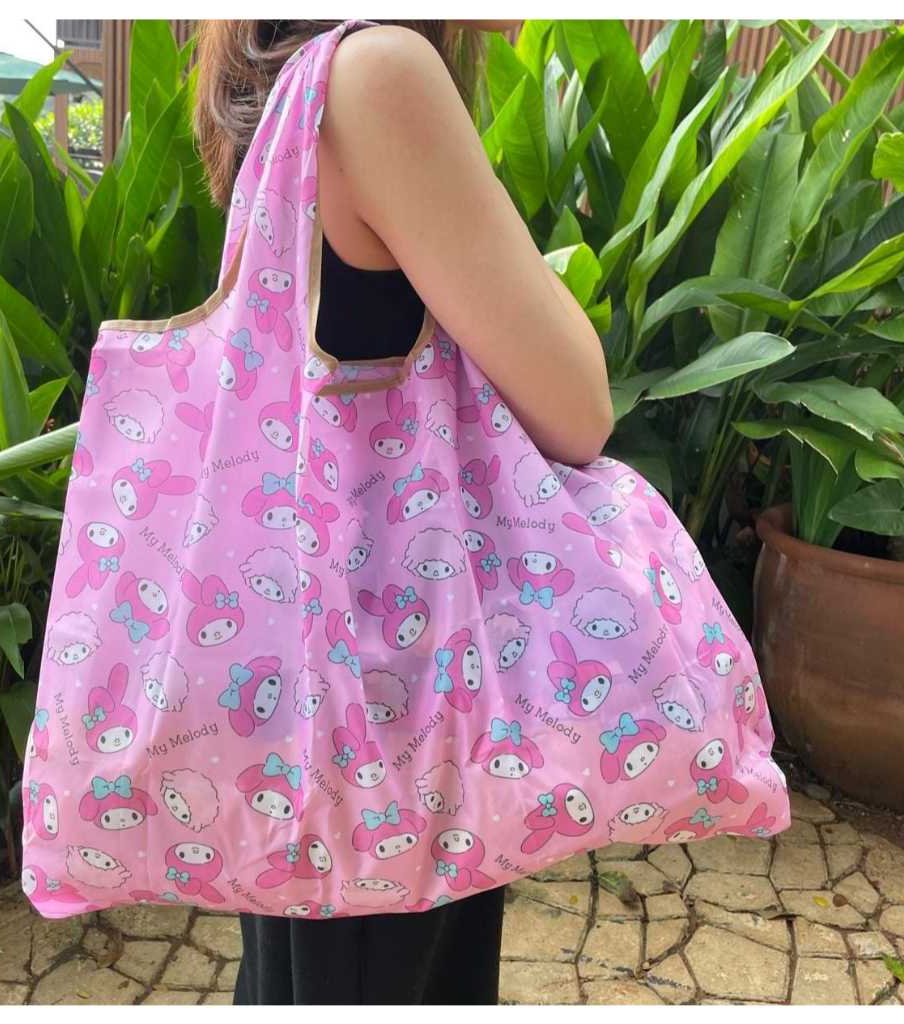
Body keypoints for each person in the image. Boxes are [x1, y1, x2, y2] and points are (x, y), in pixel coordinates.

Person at [193, 18, 613, 1005]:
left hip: (330, 683)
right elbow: (580, 409)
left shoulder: (301, 80)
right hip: (394, 712)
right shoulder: (379, 74)